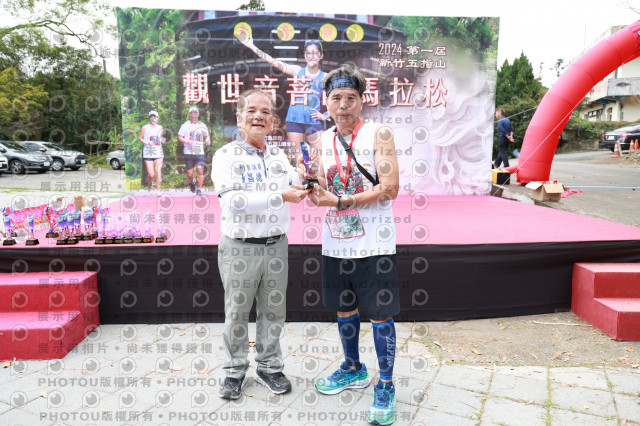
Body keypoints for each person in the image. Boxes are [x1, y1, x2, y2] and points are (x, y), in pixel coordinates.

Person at [300, 65, 400, 426]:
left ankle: (385, 384)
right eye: (336, 98)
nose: (343, 105)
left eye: (350, 97)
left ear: (362, 101)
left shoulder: (378, 134)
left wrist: (341, 201)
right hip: (336, 243)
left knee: (380, 315)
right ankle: (353, 367)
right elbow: (321, 193)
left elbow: (390, 188)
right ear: (325, 102)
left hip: (375, 244)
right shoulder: (320, 140)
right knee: (344, 309)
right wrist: (309, 184)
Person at [211, 89, 310, 400]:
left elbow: (297, 185)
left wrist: (306, 177)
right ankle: (234, 371)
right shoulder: (226, 156)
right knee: (237, 312)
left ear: (272, 120)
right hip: (240, 247)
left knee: (273, 311)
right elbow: (233, 202)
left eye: (266, 112)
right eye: (252, 110)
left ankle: (269, 366)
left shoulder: (278, 156)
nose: (259, 116)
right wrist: (280, 195)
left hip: (276, 245)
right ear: (240, 116)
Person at [239, 36, 329, 153]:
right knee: (302, 156)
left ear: (321, 55)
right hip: (294, 122)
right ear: (305, 55)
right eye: (308, 53)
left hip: (313, 122)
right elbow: (273, 61)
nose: (311, 56)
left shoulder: (325, 77)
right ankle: (305, 165)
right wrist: (251, 46)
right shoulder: (297, 71)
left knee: (322, 154)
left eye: (315, 53)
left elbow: (336, 98)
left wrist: (326, 115)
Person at [178, 106, 211, 196]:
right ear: (189, 114)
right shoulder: (185, 125)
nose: (194, 114)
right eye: (192, 112)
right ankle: (192, 182)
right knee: (190, 173)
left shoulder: (202, 125)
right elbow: (180, 137)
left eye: (196, 112)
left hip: (199, 151)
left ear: (198, 114)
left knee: (200, 170)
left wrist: (208, 140)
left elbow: (207, 136)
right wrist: (187, 141)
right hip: (188, 152)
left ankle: (199, 189)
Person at [138, 110, 165, 196]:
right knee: (152, 174)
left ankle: (158, 190)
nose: (153, 119)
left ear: (158, 118)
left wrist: (163, 140)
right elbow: (140, 138)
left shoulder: (160, 127)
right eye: (151, 117)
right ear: (149, 118)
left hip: (158, 153)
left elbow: (160, 137)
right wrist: (147, 142)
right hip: (148, 153)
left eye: (155, 117)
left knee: (158, 171)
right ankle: (150, 183)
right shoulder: (145, 127)